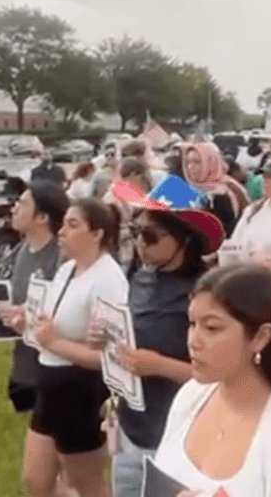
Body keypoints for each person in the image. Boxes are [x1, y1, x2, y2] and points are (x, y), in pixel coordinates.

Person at [151, 263, 271, 496]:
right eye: (192, 323)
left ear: (260, 337)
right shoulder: (190, 396)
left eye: (212, 328)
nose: (193, 341)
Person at [6, 198, 127, 497]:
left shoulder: (109, 280)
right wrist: (27, 322)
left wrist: (54, 342)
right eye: (64, 224)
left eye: (73, 225)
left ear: (97, 234)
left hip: (81, 391)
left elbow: (108, 356)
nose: (61, 232)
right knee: (36, 479)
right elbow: (49, 323)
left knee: (86, 483)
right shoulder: (67, 270)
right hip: (49, 382)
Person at [104, 201, 220, 497]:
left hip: (180, 440)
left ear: (183, 240)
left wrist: (159, 366)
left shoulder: (204, 293)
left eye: (151, 235)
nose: (141, 243)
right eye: (135, 232)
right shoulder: (140, 278)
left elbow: (221, 377)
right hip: (132, 431)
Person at [0, 180, 69, 414]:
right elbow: (17, 299)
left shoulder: (62, 259)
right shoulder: (21, 251)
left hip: (51, 368)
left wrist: (26, 315)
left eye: (22, 203)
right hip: (23, 366)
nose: (14, 208)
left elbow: (67, 316)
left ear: (42, 217)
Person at [182, 142, 246, 236]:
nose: (190, 167)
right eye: (188, 162)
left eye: (197, 162)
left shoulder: (220, 194)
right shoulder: (201, 188)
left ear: (211, 163)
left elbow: (221, 233)